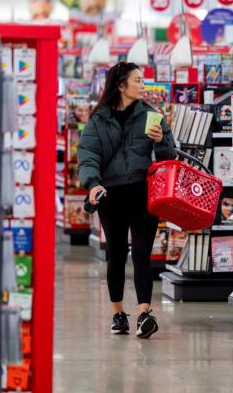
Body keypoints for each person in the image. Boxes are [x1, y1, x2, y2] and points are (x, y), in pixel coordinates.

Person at [78, 62, 176, 338]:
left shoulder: (151, 116)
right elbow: (88, 156)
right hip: (111, 195)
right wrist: (93, 183)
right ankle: (118, 313)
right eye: (138, 80)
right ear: (121, 85)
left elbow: (169, 156)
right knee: (117, 254)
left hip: (142, 193)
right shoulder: (98, 120)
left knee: (142, 253)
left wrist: (161, 142)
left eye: (143, 80)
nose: (143, 85)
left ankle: (145, 313)